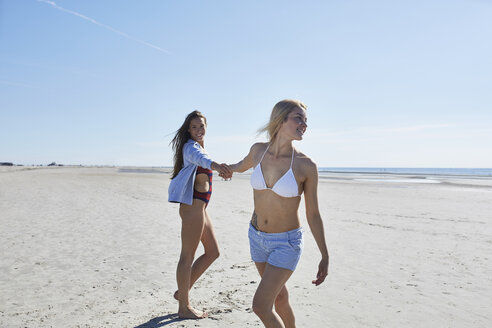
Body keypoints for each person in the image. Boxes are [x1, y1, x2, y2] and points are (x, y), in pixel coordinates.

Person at [227, 100, 329, 328]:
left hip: (286, 244)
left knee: (261, 306)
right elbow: (239, 166)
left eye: (305, 120)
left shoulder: (306, 165)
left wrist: (325, 255)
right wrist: (222, 168)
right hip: (256, 238)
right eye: (298, 118)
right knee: (280, 298)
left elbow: (313, 213)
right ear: (281, 120)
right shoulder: (258, 151)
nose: (304, 125)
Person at [168, 110, 232, 319]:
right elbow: (202, 159)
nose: (198, 130)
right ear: (188, 130)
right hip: (192, 209)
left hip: (201, 209)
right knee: (187, 256)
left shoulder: (199, 147)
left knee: (213, 252)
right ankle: (184, 308)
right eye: (194, 127)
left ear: (206, 127)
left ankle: (182, 293)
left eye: (201, 126)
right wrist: (217, 166)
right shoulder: (190, 148)